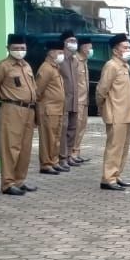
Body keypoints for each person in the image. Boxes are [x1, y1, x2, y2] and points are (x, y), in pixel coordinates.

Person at [0, 34, 38, 196]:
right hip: (11, 108)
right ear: (8, 48)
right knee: (11, 147)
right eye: (16, 48)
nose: (20, 51)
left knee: (25, 148)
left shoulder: (26, 66)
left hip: (29, 110)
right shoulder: (2, 67)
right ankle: (7, 183)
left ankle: (19, 180)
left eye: (22, 48)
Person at [98, 33, 130, 191]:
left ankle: (116, 175)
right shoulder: (111, 66)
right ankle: (107, 179)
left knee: (123, 147)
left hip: (127, 113)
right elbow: (102, 89)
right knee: (114, 147)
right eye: (125, 47)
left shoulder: (125, 66)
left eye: (129, 47)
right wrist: (102, 107)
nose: (129, 50)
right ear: (116, 51)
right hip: (116, 113)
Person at [35, 40, 67, 176]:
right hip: (48, 109)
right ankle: (46, 164)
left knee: (55, 137)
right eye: (60, 52)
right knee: (48, 138)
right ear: (51, 53)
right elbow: (38, 91)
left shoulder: (55, 67)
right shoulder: (46, 68)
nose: (62, 55)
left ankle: (54, 161)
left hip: (57, 109)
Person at [58, 31, 84, 167]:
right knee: (63, 130)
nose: (74, 43)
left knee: (72, 129)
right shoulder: (60, 59)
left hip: (74, 100)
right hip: (63, 100)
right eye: (70, 40)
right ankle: (61, 158)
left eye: (75, 40)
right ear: (64, 42)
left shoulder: (74, 60)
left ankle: (69, 155)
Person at [69, 38, 94, 164]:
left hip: (85, 100)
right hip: (77, 100)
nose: (91, 50)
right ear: (83, 48)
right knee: (75, 127)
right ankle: (70, 154)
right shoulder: (75, 60)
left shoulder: (85, 61)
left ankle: (76, 152)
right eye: (89, 47)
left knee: (82, 127)